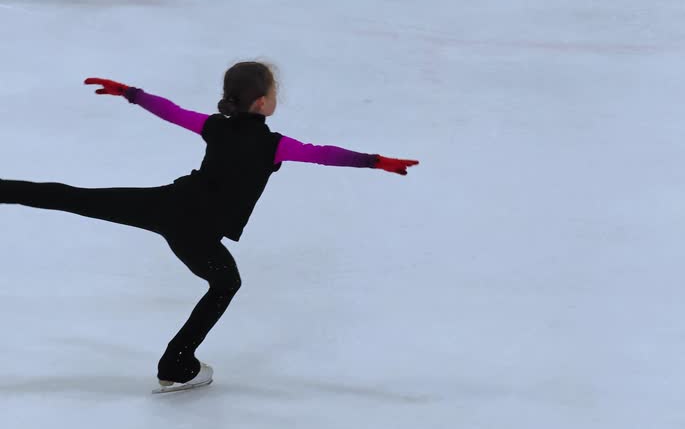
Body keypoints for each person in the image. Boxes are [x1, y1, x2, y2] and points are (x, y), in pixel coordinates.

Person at [0, 61, 418, 393]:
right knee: (225, 283)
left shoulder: (214, 126)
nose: (276, 98)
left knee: (75, 197)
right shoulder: (276, 145)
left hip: (166, 205)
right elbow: (324, 154)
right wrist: (375, 161)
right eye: (273, 93)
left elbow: (172, 113)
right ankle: (176, 364)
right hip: (194, 231)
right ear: (261, 103)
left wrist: (131, 93)